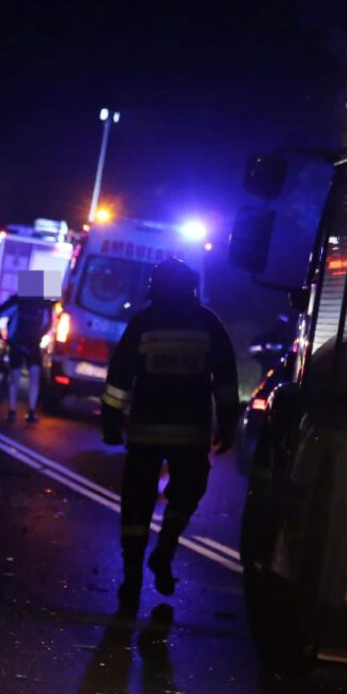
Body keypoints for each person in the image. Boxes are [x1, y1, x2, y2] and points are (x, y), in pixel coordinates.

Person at [100, 257, 238, 608]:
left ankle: (132, 575)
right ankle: (165, 549)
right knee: (186, 494)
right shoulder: (208, 324)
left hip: (145, 432)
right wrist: (227, 422)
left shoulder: (143, 323)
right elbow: (225, 379)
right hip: (191, 434)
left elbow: (119, 377)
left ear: (155, 288)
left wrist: (111, 423)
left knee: (136, 503)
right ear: (191, 287)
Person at [0, 269, 59, 424]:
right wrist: (39, 337)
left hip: (19, 343)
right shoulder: (42, 305)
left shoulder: (21, 301)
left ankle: (14, 412)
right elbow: (48, 324)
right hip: (28, 344)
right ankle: (28, 413)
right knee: (31, 377)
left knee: (17, 376)